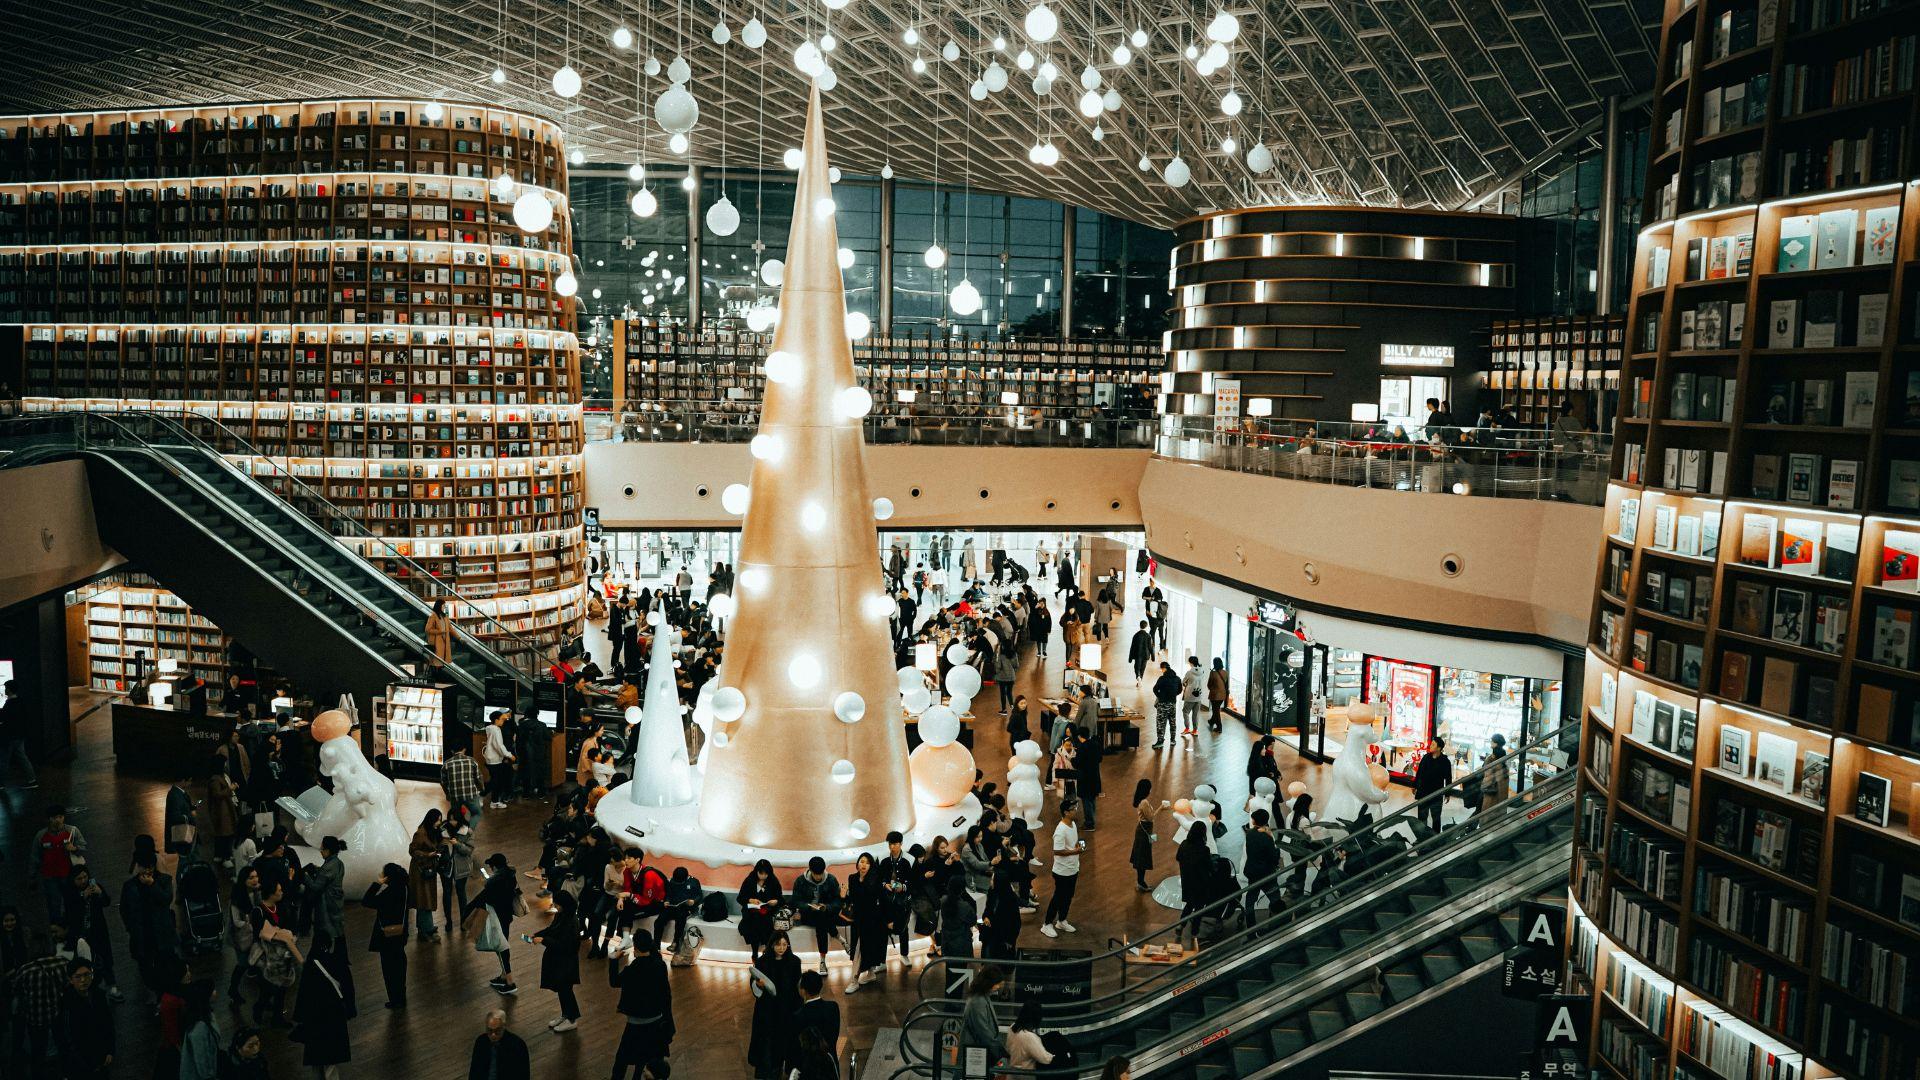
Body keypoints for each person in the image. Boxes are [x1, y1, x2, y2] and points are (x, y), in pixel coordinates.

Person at [611, 930, 675, 1080]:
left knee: (622, 1059)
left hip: (636, 1023)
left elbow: (614, 982)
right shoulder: (660, 965)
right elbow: (666, 994)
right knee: (645, 1057)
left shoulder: (633, 969)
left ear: (635, 947)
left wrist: (613, 960)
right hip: (656, 1021)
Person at [290, 947, 353, 1080]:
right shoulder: (337, 961)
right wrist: (350, 1010)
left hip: (314, 1019)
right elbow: (348, 987)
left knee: (316, 1059)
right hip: (334, 1016)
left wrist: (300, 1017)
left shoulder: (310, 966)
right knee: (331, 1060)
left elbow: (303, 995)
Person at [748, 929, 803, 1078]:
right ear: (772, 944)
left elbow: (796, 987)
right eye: (778, 944)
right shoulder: (762, 962)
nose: (782, 948)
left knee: (788, 1040)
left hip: (787, 1007)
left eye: (785, 945)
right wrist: (758, 985)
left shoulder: (794, 962)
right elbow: (754, 981)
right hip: (768, 1009)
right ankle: (769, 1070)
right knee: (768, 1040)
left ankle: (789, 1069)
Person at [466, 853, 521, 994]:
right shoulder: (510, 876)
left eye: (491, 866)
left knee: (502, 947)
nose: (491, 868)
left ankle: (510, 982)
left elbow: (486, 896)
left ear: (495, 867)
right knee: (502, 945)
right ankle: (504, 976)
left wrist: (468, 910)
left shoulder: (496, 881)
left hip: (497, 917)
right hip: (506, 916)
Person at [63, 866, 120, 1002]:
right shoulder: (70, 893)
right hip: (82, 936)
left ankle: (112, 986)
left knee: (106, 958)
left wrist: (100, 893)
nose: (83, 881)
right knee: (87, 960)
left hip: (99, 931)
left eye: (85, 877)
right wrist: (82, 897)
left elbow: (106, 902)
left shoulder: (95, 886)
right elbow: (70, 913)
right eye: (79, 879)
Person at [55, 956, 116, 1079]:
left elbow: (108, 1024)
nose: (83, 980)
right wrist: (84, 1063)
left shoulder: (99, 996)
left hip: (100, 1057)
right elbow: (67, 1037)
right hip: (81, 1064)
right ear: (71, 980)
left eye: (86, 975)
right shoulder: (67, 1004)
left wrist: (110, 1050)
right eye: (78, 977)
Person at [530, 888, 582, 1032]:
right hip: (560, 960)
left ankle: (572, 1019)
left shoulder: (571, 922)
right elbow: (552, 929)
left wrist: (543, 939)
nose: (555, 907)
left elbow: (565, 945)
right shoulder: (562, 915)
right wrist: (539, 934)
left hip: (566, 962)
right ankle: (566, 1015)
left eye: (557, 904)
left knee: (566, 990)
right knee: (562, 989)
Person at [363, 862, 410, 1008]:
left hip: (387, 936)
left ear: (388, 877)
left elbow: (366, 901)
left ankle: (395, 1000)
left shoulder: (389, 893)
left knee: (389, 970)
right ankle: (401, 997)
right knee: (400, 967)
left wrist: (378, 883)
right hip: (400, 933)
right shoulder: (404, 888)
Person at [30, 804, 84, 924]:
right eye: (54, 817)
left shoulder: (72, 831)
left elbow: (83, 846)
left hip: (68, 874)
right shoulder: (40, 836)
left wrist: (74, 848)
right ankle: (56, 926)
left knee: (71, 900)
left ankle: (73, 923)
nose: (58, 820)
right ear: (49, 819)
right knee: (54, 904)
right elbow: (35, 857)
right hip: (50, 877)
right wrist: (32, 876)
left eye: (60, 817)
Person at [842, 852, 888, 991]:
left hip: (872, 920)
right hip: (858, 920)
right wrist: (844, 896)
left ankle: (854, 980)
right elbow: (852, 900)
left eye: (867, 863)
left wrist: (888, 920)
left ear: (871, 866)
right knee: (859, 949)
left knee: (863, 949)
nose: (864, 865)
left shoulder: (875, 879)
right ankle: (870, 974)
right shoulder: (852, 878)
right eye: (862, 861)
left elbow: (879, 900)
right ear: (857, 863)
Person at [790, 857, 843, 973]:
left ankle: (823, 961)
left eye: (821, 874)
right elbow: (795, 901)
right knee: (822, 919)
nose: (818, 877)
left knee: (821, 918)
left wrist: (826, 907)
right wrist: (808, 906)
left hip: (825, 913)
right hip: (808, 914)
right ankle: (838, 938)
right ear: (810, 870)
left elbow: (838, 901)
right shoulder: (801, 881)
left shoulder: (831, 880)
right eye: (816, 874)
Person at [1041, 797, 1084, 938]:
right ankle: (1047, 924)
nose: (1076, 811)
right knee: (1058, 898)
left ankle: (1062, 920)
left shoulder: (1073, 824)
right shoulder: (1060, 830)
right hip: (1062, 871)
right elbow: (1057, 851)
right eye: (1073, 809)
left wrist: (1077, 847)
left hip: (1073, 868)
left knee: (1068, 897)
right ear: (1066, 812)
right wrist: (1075, 851)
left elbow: (1072, 843)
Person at [736, 858, 783, 960]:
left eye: (766, 874)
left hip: (767, 910)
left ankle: (764, 951)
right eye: (761, 873)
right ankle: (756, 953)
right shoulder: (749, 880)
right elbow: (740, 898)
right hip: (751, 911)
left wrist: (775, 901)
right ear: (756, 871)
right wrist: (750, 900)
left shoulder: (773, 881)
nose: (763, 876)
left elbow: (780, 898)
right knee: (754, 920)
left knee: (764, 920)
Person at [306, 835, 347, 951]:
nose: (320, 851)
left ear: (328, 850)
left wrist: (305, 877)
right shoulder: (339, 863)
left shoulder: (327, 867)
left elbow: (316, 887)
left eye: (322, 849)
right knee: (338, 929)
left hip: (326, 904)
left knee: (325, 930)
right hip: (336, 902)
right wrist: (319, 869)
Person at [1176, 825, 1215, 948]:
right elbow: (1210, 867)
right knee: (1198, 908)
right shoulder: (1204, 849)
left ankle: (1181, 925)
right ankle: (1194, 933)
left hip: (1187, 880)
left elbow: (1178, 857)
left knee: (1189, 904)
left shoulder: (1184, 844)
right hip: (1200, 883)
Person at [1243, 809, 1282, 925]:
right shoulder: (1267, 837)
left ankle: (1251, 926)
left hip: (1253, 872)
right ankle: (1276, 923)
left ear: (1254, 821)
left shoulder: (1249, 834)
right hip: (1267, 873)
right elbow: (1273, 857)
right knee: (1275, 898)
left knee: (1250, 901)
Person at [961, 965, 1006, 1065]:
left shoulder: (981, 996)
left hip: (979, 1051)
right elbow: (984, 1032)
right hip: (977, 1054)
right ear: (988, 983)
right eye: (996, 984)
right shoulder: (978, 1002)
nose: (998, 987)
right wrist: (1000, 1053)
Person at [468, 1010, 531, 1080]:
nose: (493, 1035)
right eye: (489, 1030)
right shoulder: (481, 1042)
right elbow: (474, 1071)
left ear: (504, 1027)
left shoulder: (517, 1045)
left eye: (497, 1031)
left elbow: (523, 1075)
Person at [178, 981, 222, 1080]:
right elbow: (201, 1059)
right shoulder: (199, 1028)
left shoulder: (205, 1014)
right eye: (212, 990)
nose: (215, 992)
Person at [0, 678, 38, 788]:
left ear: (9, 690)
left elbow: (5, 719)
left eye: (6, 688)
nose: (5, 690)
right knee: (22, 757)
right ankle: (32, 780)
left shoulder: (10, 704)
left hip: (9, 736)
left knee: (4, 760)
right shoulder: (20, 701)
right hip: (19, 735)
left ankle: (1, 783)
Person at [1413, 735, 1453, 833]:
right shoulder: (1426, 758)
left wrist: (1447, 793)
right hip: (1423, 792)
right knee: (1422, 817)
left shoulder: (1445, 762)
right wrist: (1415, 785)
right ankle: (1422, 836)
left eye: (1433, 744)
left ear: (1439, 748)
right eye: (1431, 744)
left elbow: (1448, 778)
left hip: (1436, 793)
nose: (1430, 746)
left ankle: (1435, 837)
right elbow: (1419, 773)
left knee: (1436, 818)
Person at [1130, 779, 1164, 892]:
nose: (1150, 790)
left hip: (1143, 831)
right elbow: (1151, 817)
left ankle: (1140, 881)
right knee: (1142, 858)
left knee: (1141, 857)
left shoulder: (1141, 800)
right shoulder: (1144, 802)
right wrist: (1161, 808)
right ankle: (1141, 883)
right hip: (1144, 832)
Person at [1006, 999, 1056, 1069]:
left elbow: (1008, 1050)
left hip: (1012, 1070)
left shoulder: (1012, 1027)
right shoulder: (1029, 1037)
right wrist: (1054, 1055)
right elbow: (1046, 1059)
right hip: (1026, 1073)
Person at [442, 744, 485, 824]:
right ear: (464, 749)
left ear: (452, 751)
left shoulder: (446, 764)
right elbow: (478, 778)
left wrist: (448, 795)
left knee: (457, 816)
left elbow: (444, 782)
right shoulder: (472, 761)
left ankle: (459, 829)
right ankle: (469, 830)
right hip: (470, 795)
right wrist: (481, 789)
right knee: (477, 813)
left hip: (455, 796)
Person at [481, 710, 516, 809]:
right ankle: (483, 795)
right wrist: (509, 755)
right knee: (496, 781)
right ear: (496, 720)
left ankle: (494, 801)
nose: (503, 721)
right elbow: (499, 746)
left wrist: (505, 716)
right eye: (502, 719)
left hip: (491, 758)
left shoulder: (490, 728)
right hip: (495, 759)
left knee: (496, 780)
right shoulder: (496, 730)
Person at [1479, 733, 1512, 814]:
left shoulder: (1492, 758)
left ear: (1496, 743)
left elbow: (1487, 775)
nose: (1491, 742)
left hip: (1491, 791)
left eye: (1492, 741)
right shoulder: (1503, 756)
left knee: (1486, 812)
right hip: (1501, 792)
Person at [1150, 662, 1180, 749]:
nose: (1161, 671)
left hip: (1163, 704)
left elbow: (1155, 689)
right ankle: (1173, 740)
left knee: (1160, 723)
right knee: (1172, 722)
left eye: (1162, 669)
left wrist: (1160, 696)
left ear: (1164, 668)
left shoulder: (1162, 679)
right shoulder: (1177, 678)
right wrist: (1173, 695)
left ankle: (1160, 742)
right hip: (1172, 704)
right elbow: (1179, 690)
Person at [1179, 656, 1206, 739]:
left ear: (1190, 662)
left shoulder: (1189, 672)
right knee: (1196, 714)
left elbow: (1183, 682)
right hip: (1199, 695)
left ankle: (1187, 728)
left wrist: (1187, 684)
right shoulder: (1202, 671)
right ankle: (1195, 730)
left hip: (1190, 695)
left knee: (1185, 711)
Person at [426, 597, 454, 665]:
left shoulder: (445, 616)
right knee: (437, 663)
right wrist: (440, 631)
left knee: (443, 662)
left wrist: (459, 638)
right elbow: (427, 629)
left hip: (445, 642)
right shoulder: (433, 616)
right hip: (436, 643)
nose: (444, 607)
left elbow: (451, 629)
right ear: (439, 606)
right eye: (443, 605)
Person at [1206, 657, 1230, 733]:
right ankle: (1211, 721)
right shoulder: (1226, 672)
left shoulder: (1213, 673)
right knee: (1216, 709)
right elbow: (1227, 685)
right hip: (1223, 695)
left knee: (1216, 711)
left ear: (1214, 664)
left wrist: (1212, 688)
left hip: (1215, 695)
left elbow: (1209, 684)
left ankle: (1219, 727)